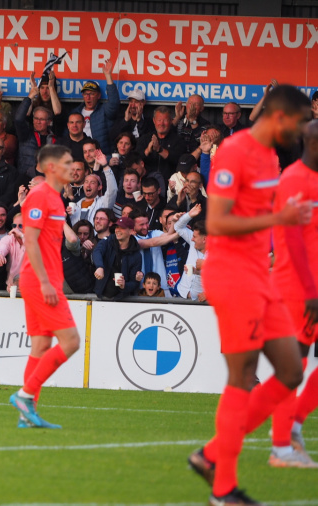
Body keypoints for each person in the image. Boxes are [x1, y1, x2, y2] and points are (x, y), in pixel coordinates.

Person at [187, 85, 313, 506]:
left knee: (291, 371)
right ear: (279, 117)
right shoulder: (236, 151)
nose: (300, 132)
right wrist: (282, 216)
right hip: (233, 276)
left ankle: (209, 454)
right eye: (298, 122)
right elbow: (218, 223)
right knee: (241, 378)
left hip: (263, 276)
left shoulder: (272, 157)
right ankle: (223, 488)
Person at [9, 144, 81, 429]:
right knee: (72, 342)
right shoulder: (40, 196)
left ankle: (26, 415)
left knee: (40, 345)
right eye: (66, 163)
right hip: (41, 280)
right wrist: (44, 282)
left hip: (42, 278)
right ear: (51, 167)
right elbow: (30, 240)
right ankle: (25, 396)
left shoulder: (54, 197)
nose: (71, 168)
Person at [268, 119, 318, 468]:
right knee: (293, 367)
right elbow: (291, 240)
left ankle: (294, 428)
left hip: (313, 285)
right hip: (298, 288)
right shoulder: (295, 179)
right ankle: (281, 447)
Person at [71, 59, 119, 152]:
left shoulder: (103, 110)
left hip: (100, 155)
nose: (88, 97)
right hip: (80, 154)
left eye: (92, 94)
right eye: (86, 94)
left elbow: (114, 103)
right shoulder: (75, 112)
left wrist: (108, 76)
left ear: (98, 96)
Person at [92, 216, 142, 301]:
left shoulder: (136, 255)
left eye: (122, 228)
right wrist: (100, 267)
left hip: (123, 300)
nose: (117, 230)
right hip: (101, 297)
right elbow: (97, 251)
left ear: (131, 231)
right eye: (117, 227)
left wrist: (124, 285)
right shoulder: (107, 241)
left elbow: (135, 283)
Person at [173, 205, 207, 301]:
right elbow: (178, 227)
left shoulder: (218, 254)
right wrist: (189, 215)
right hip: (181, 295)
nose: (192, 239)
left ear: (204, 239)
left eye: (195, 237)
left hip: (200, 303)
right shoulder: (193, 244)